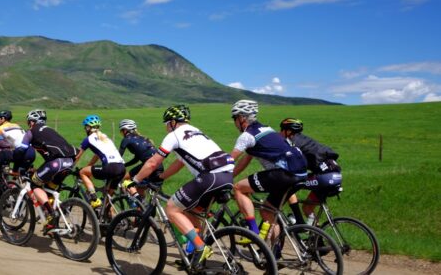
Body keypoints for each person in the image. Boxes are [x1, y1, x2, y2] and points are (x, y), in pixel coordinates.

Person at [132, 105, 235, 269]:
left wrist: (135, 180)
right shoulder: (196, 131)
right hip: (227, 175)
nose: (166, 127)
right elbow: (180, 162)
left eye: (166, 123)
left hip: (210, 176)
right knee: (191, 212)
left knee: (172, 208)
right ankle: (194, 254)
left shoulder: (174, 135)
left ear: (173, 122)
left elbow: (153, 162)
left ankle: (200, 248)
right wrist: (161, 177)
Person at [229, 100, 308, 245]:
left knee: (238, 188)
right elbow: (245, 160)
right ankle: (275, 254)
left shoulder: (247, 136)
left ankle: (253, 232)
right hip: (301, 174)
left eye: (235, 118)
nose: (234, 122)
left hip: (282, 174)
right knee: (267, 212)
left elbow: (230, 160)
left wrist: (218, 174)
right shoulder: (267, 129)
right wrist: (230, 176)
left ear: (242, 118)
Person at [19, 109, 77, 233]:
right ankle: (51, 222)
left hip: (56, 164)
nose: (29, 125)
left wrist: (20, 166)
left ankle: (51, 214)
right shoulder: (50, 130)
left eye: (29, 122)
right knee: (49, 189)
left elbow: (21, 150)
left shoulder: (31, 132)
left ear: (32, 122)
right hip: (69, 163)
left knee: (35, 184)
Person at [279, 118, 343, 225]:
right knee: (307, 208)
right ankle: (315, 237)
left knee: (289, 185)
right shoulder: (304, 140)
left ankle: (298, 221)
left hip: (325, 177)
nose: (280, 132)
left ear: (288, 131)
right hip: (335, 175)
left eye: (282, 130)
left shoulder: (294, 143)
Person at [75, 115, 126, 208]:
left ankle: (94, 199)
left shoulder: (88, 139)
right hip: (122, 168)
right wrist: (89, 166)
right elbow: (97, 155)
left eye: (85, 127)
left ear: (88, 128)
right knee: (107, 200)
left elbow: (77, 156)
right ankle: (112, 219)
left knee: (82, 172)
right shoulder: (104, 137)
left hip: (111, 167)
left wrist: (70, 166)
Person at [118, 119, 164, 201]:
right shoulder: (143, 138)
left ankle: (134, 202)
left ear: (125, 130)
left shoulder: (126, 139)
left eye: (121, 131)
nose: (121, 134)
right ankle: (141, 208)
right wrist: (124, 165)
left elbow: (118, 156)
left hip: (148, 165)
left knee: (125, 178)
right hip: (159, 165)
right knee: (140, 190)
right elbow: (136, 159)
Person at [0, 110, 36, 175]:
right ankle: (17, 180)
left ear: (3, 119)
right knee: (19, 173)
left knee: (1, 155)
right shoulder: (17, 125)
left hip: (21, 152)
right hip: (32, 153)